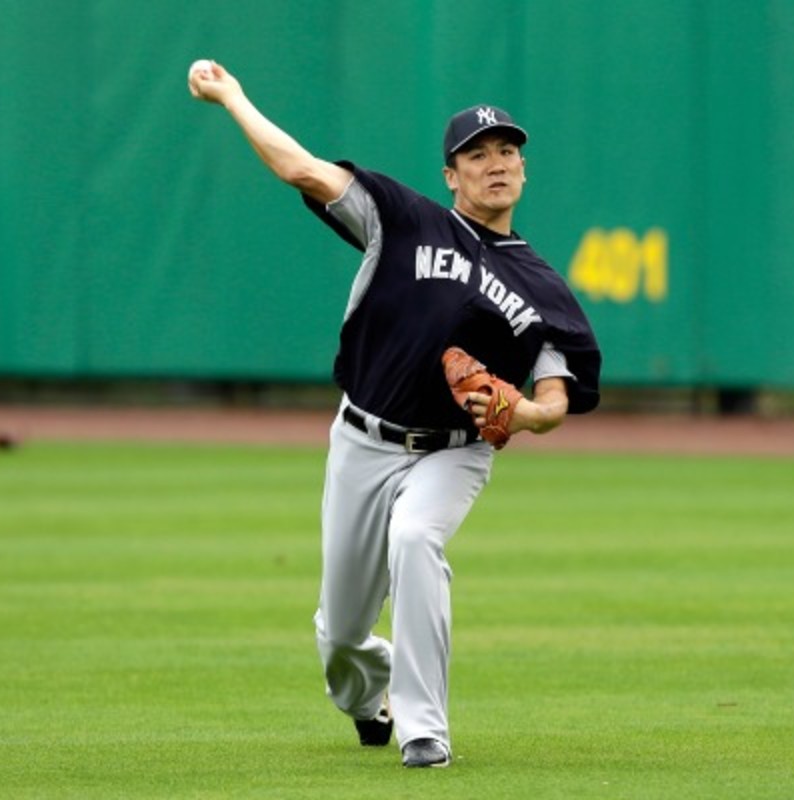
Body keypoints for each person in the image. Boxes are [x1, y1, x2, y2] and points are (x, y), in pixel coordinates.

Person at [189, 60, 601, 768]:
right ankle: (365, 696)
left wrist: (527, 413)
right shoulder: (403, 219)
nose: (495, 164)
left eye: (507, 151)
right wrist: (234, 97)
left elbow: (558, 394)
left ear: (524, 170)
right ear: (451, 174)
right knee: (342, 634)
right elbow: (302, 170)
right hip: (363, 439)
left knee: (415, 540)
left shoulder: (544, 289)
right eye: (477, 154)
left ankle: (425, 732)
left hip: (454, 451)